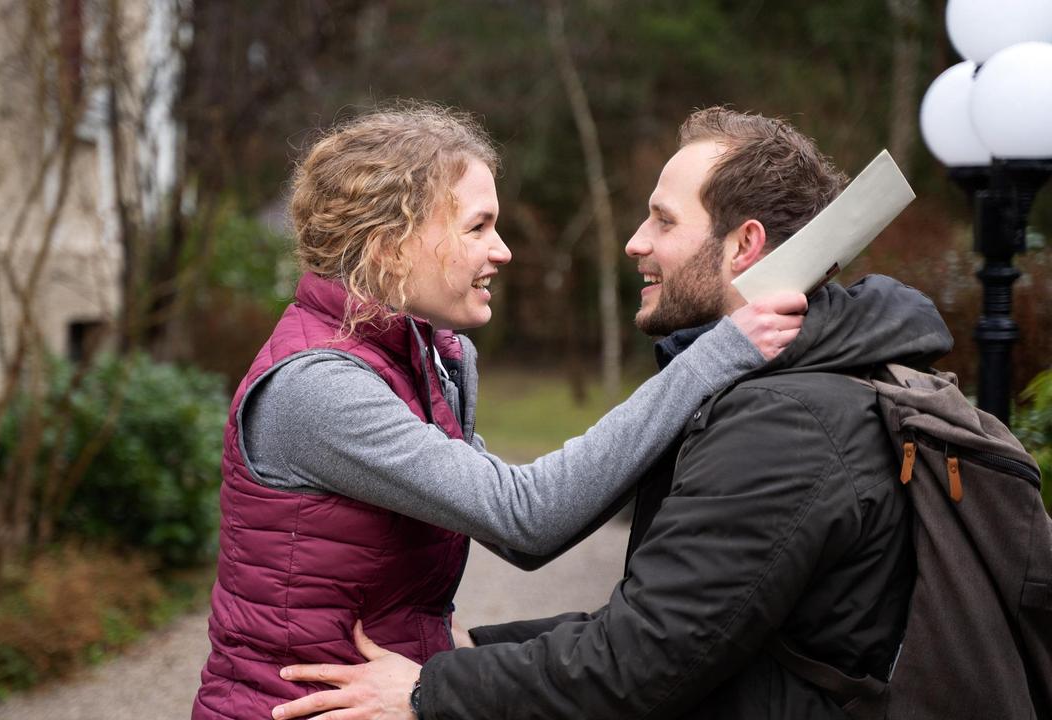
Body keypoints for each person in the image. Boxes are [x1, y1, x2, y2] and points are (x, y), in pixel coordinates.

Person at [272, 107, 955, 720]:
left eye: (662, 219)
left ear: (743, 247)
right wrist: (466, 651)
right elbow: (676, 621)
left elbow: (642, 656)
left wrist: (437, 687)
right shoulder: (328, 382)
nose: (634, 241)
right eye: (478, 226)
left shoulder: (787, 419)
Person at [193, 103, 808, 719]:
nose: (504, 251)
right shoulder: (316, 388)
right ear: (391, 244)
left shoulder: (434, 359)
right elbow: (525, 518)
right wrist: (711, 358)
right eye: (478, 227)